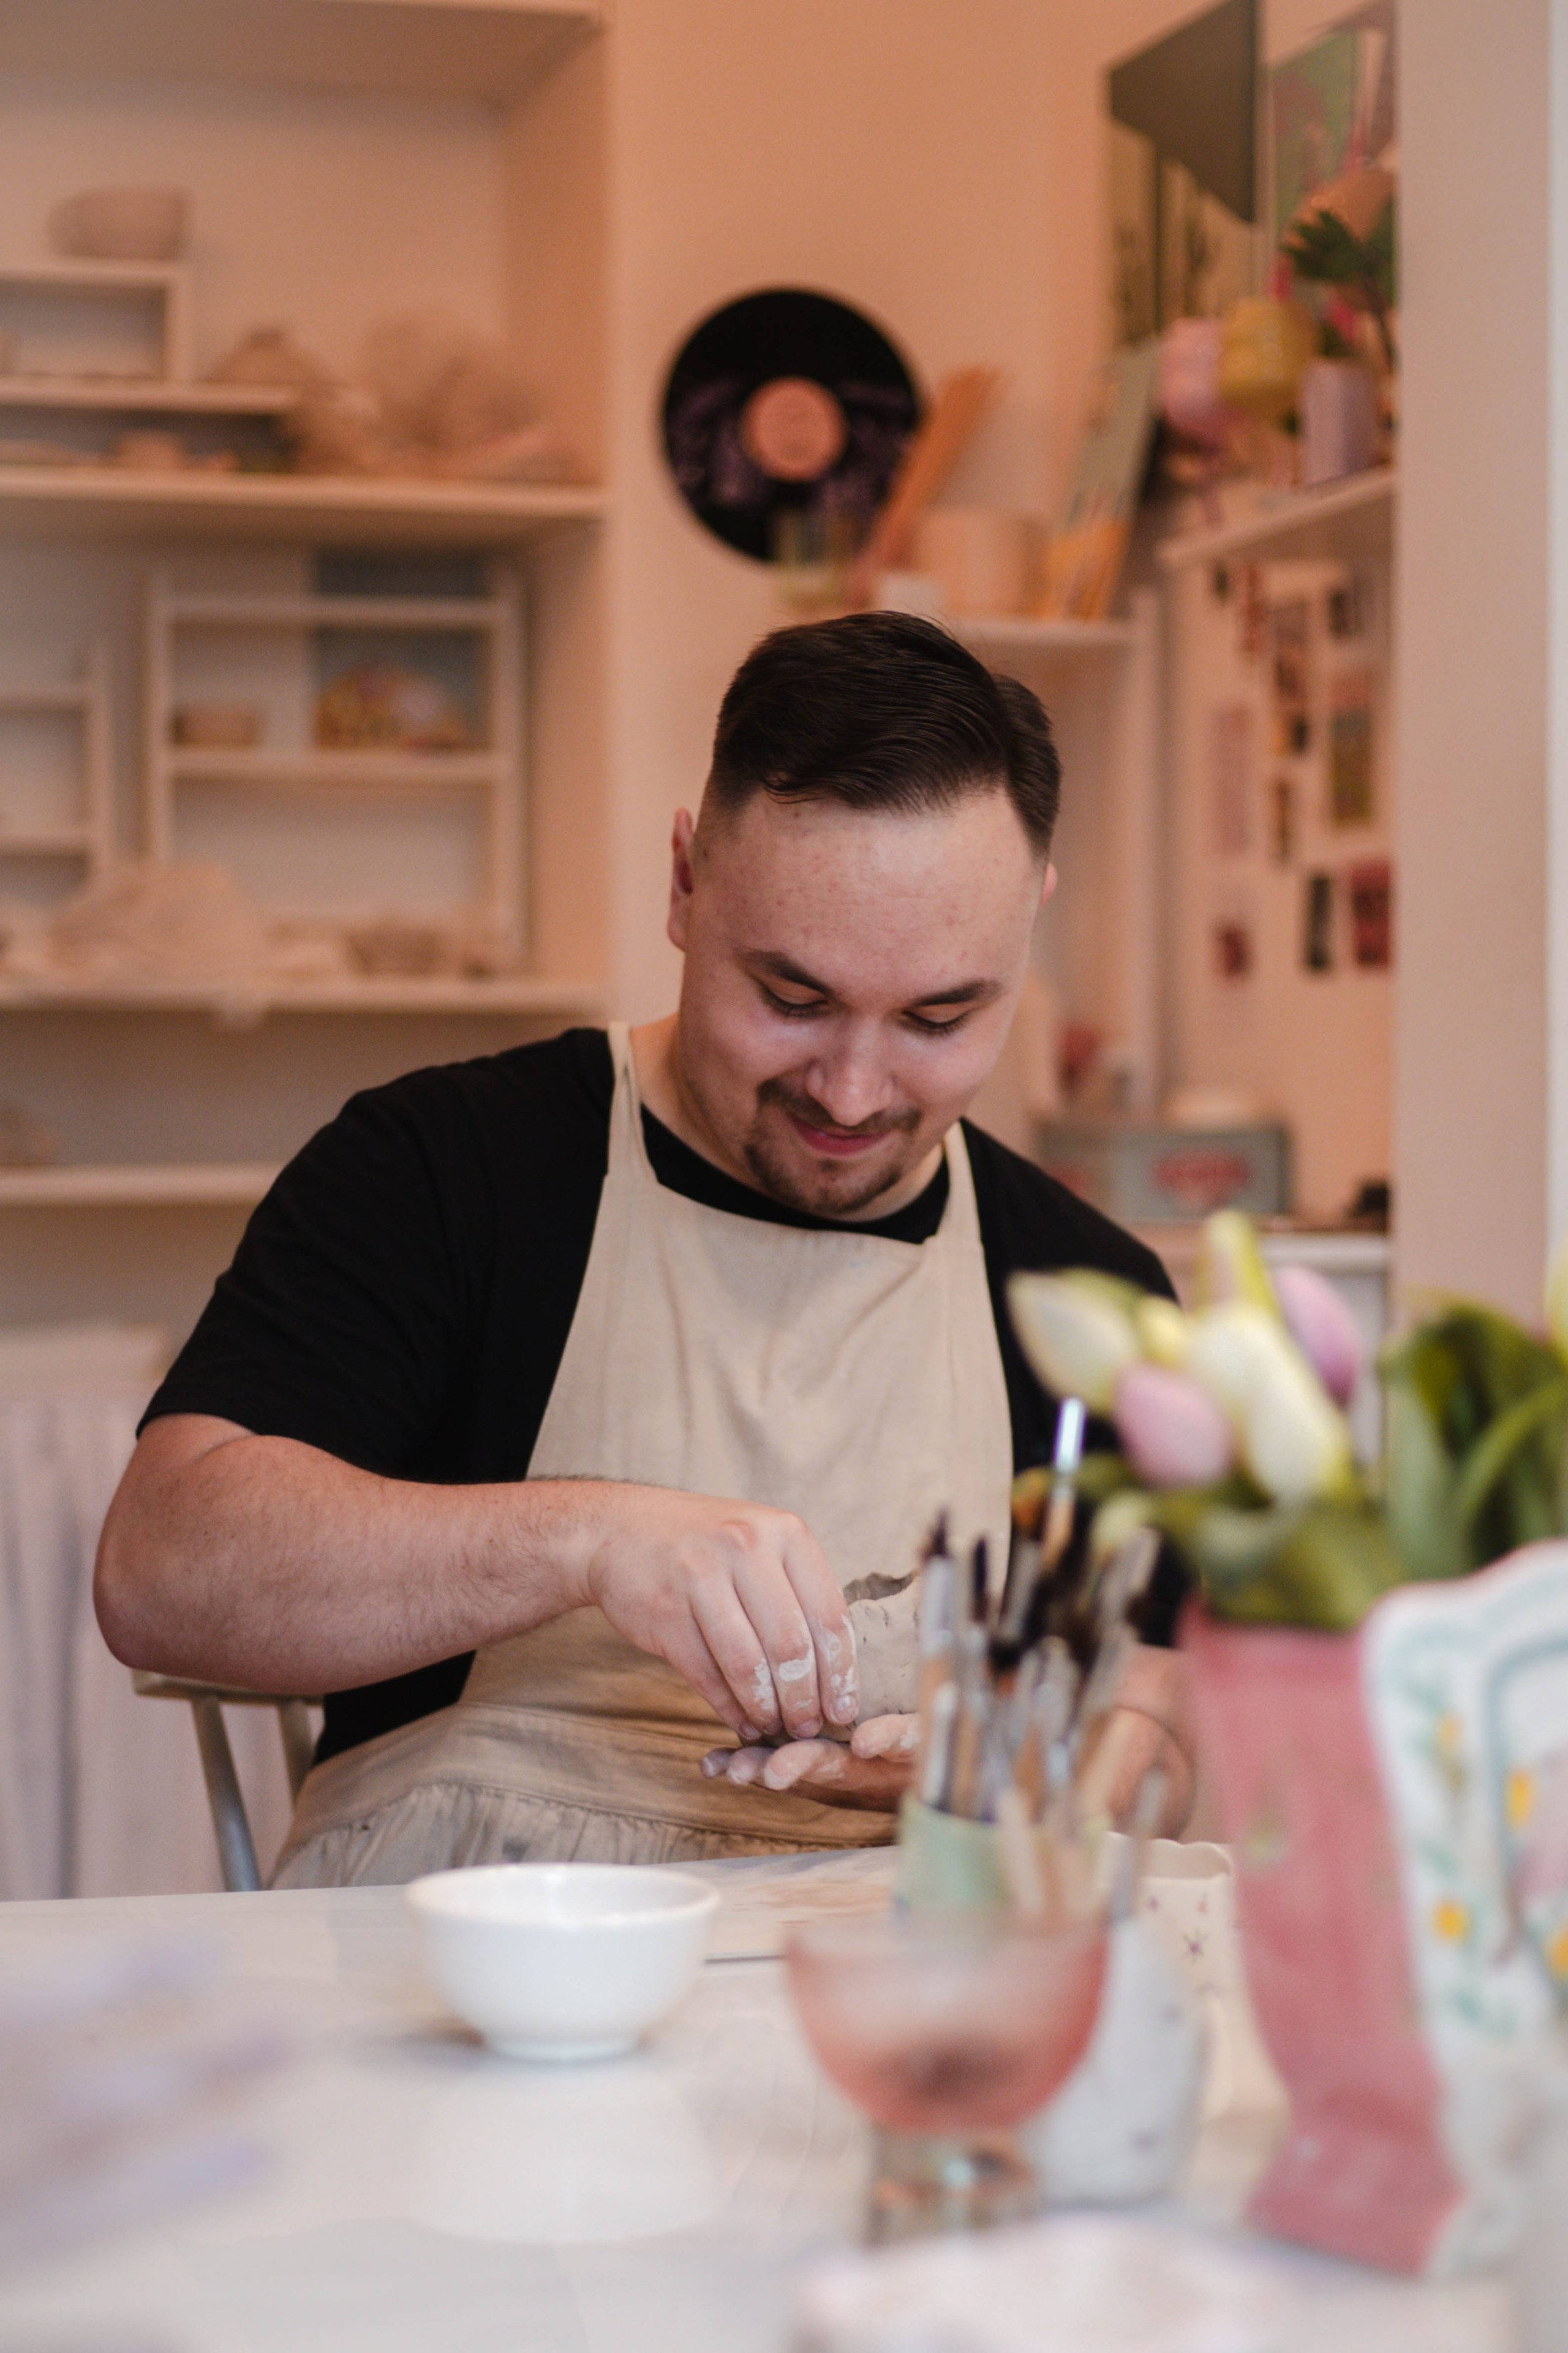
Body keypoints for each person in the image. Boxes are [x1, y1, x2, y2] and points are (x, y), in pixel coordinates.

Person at [96, 613, 1191, 1883]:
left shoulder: (1083, 1292)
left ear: (1027, 928)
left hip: (897, 1983)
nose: (848, 1091)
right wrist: (583, 1541)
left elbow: (1170, 1718)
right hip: (468, 1956)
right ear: (683, 884)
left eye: (938, 1016)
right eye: (789, 1000)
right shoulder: (451, 1167)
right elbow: (159, 1570)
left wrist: (1039, 1765)